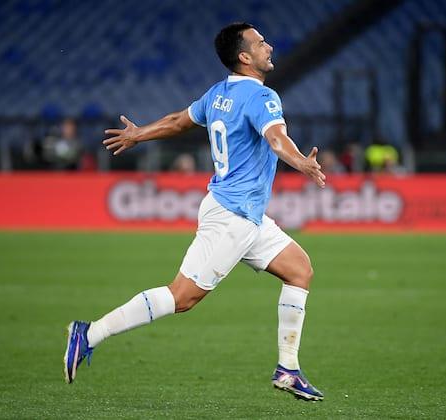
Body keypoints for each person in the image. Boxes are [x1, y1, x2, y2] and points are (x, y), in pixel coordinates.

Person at [63, 22, 326, 401]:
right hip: (232, 217)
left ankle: (288, 369)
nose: (268, 46)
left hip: (245, 215)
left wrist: (139, 133)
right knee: (182, 297)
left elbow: (178, 121)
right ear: (244, 56)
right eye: (260, 42)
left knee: (299, 269)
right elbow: (275, 138)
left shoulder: (218, 94)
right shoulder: (262, 96)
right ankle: (89, 333)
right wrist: (301, 162)